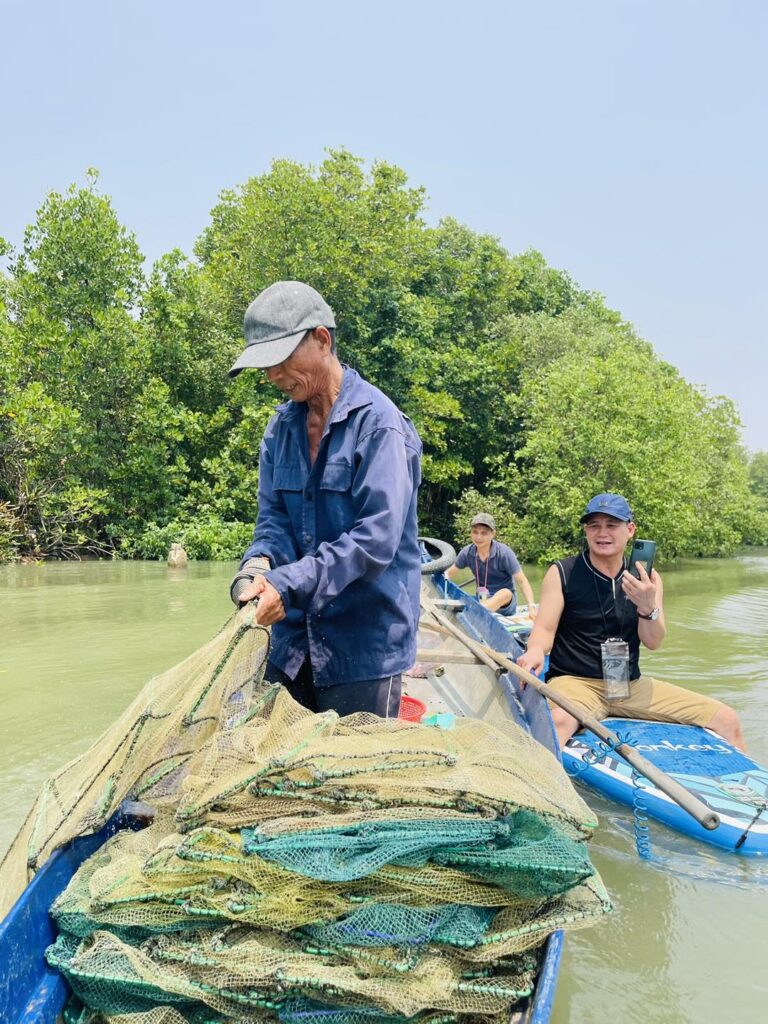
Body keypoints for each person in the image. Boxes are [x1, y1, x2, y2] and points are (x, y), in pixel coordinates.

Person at [228, 281, 422, 718]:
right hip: (293, 643)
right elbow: (273, 522)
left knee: (356, 778)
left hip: (363, 649)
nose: (272, 376)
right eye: (265, 365)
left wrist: (287, 584)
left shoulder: (379, 426)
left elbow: (375, 540)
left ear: (322, 339)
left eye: (279, 360)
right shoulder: (280, 431)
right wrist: (257, 568)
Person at [516, 493, 746, 750]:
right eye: (594, 525)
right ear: (586, 530)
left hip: (629, 685)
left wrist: (648, 607)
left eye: (611, 525)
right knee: (558, 720)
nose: (602, 533)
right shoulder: (562, 572)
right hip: (575, 682)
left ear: (630, 530)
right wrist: (534, 650)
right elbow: (544, 630)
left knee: (727, 719)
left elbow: (654, 641)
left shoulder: (647, 579)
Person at [445, 513, 537, 617]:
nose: (478, 537)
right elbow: (449, 573)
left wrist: (531, 605)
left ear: (493, 534)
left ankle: (477, 612)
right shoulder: (467, 552)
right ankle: (480, 610)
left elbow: (522, 581)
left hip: (505, 604)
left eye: (484, 533)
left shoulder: (504, 553)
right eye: (475, 532)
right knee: (462, 596)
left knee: (505, 593)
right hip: (482, 598)